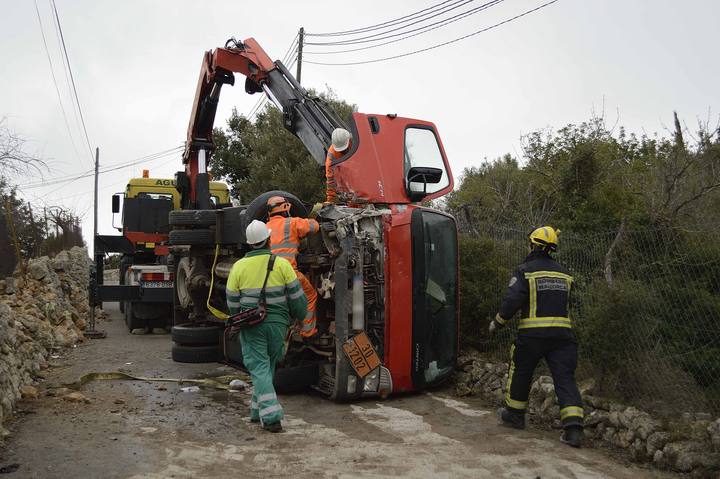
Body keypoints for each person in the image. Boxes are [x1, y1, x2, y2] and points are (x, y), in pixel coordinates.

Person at [489, 226, 584, 447]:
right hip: (562, 337)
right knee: (565, 378)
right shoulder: (565, 274)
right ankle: (573, 430)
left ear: (533, 244)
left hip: (532, 336)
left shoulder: (525, 271)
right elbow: (571, 303)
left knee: (521, 372)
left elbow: (513, 300)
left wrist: (497, 323)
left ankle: (514, 415)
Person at [226, 220, 308, 433]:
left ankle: (271, 418)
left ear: (249, 243)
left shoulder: (238, 267)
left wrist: (238, 319)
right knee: (267, 366)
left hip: (252, 325)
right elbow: (297, 298)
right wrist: (300, 317)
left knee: (259, 367)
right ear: (269, 240)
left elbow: (232, 302)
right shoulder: (282, 264)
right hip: (278, 326)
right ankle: (257, 411)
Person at [266, 196, 319, 339]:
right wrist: (313, 215)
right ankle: (307, 332)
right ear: (286, 207)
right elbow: (314, 227)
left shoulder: (264, 227)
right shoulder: (292, 223)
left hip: (269, 276)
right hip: (290, 274)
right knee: (310, 296)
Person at [325, 128, 352, 204]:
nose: (344, 151)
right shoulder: (331, 157)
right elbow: (330, 180)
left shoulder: (356, 142)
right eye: (341, 150)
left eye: (345, 148)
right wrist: (330, 199)